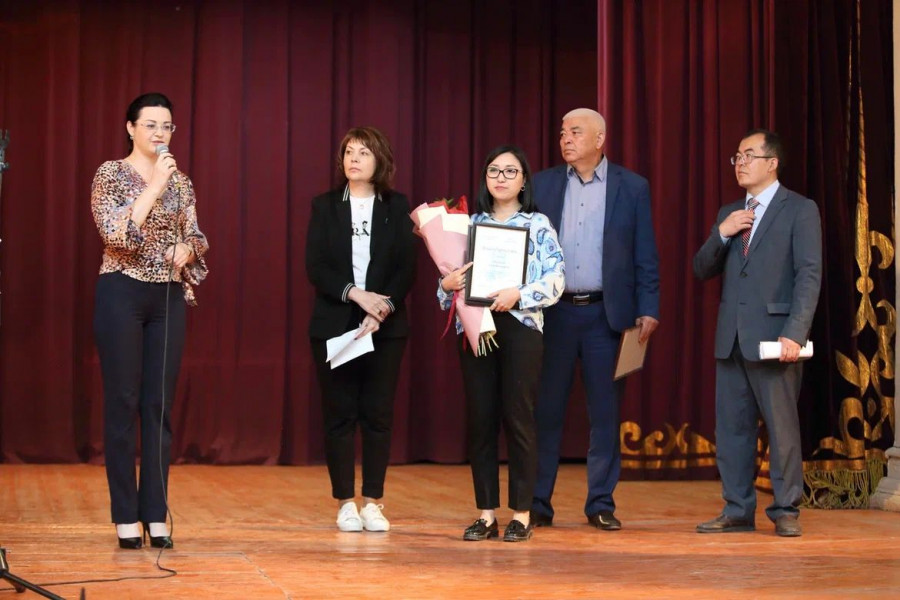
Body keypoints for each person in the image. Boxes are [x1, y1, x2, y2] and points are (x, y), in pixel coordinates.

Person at [530, 108, 660, 531]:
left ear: (600, 138)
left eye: (575, 132)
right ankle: (537, 503)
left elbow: (645, 253)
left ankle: (600, 503)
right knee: (546, 411)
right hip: (553, 314)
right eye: (562, 132)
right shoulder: (543, 184)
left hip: (607, 316)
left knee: (605, 415)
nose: (565, 139)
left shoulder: (632, 187)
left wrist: (648, 307)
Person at [91, 92, 209, 549]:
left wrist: (188, 249)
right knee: (122, 402)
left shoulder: (183, 183)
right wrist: (155, 185)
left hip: (167, 295)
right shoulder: (110, 174)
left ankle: (155, 514)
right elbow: (115, 234)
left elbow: (196, 235)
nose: (160, 134)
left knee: (158, 406)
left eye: (167, 126)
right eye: (151, 125)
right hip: (121, 290)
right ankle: (125, 515)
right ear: (130, 128)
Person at [693, 129, 821, 537]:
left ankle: (786, 509)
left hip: (775, 339)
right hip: (731, 339)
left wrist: (795, 332)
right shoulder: (730, 212)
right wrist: (722, 232)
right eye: (737, 156)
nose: (740, 163)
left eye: (749, 155)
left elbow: (809, 275)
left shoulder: (799, 209)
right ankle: (737, 509)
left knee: (782, 429)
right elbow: (701, 269)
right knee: (732, 430)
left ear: (772, 163)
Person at [439, 145, 564, 542]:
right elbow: (449, 285)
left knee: (519, 417)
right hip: (477, 325)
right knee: (481, 419)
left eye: (511, 171)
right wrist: (446, 284)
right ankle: (486, 513)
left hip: (521, 326)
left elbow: (557, 278)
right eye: (494, 170)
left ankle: (522, 514)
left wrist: (519, 294)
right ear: (485, 178)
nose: (501, 178)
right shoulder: (468, 224)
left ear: (524, 180)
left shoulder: (538, 224)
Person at [306, 127, 416, 533]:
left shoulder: (397, 206)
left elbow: (406, 267)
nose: (354, 159)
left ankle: (373, 501)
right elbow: (316, 265)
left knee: (377, 415)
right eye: (349, 152)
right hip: (335, 323)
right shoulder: (325, 206)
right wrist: (356, 295)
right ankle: (345, 503)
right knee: (339, 415)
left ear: (379, 160)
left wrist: (381, 307)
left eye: (364, 152)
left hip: (385, 326)